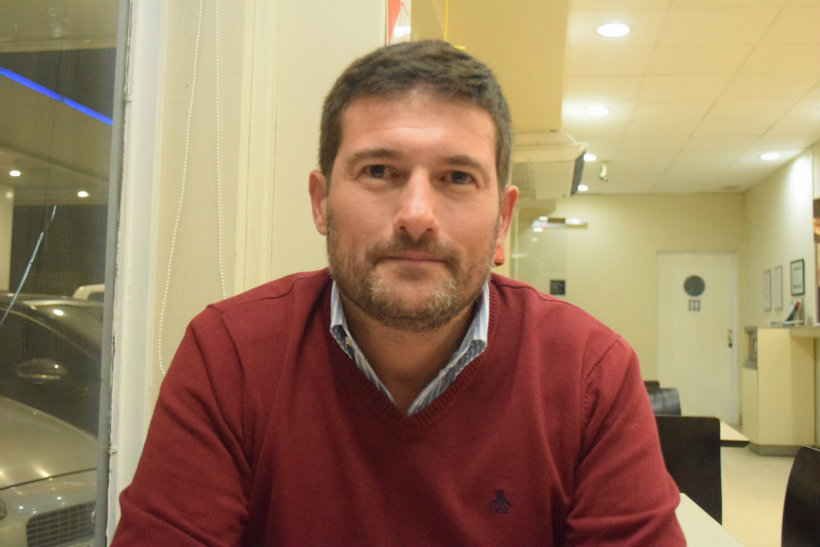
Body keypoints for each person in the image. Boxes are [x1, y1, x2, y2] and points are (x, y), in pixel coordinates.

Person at [111, 40, 685, 546]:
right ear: (321, 202)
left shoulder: (590, 372)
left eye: (457, 177)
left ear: (503, 220)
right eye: (380, 171)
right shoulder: (230, 355)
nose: (416, 215)